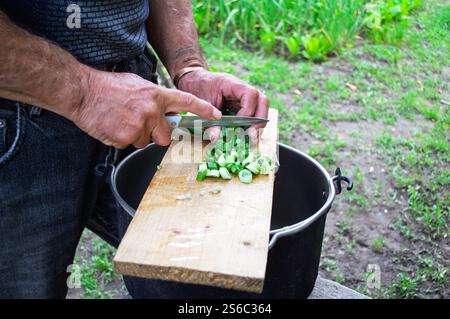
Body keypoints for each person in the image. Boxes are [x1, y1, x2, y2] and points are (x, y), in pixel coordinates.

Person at [0, 1, 269, 298]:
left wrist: (188, 66)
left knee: (191, 263)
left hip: (138, 100)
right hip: (19, 122)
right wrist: (86, 94)